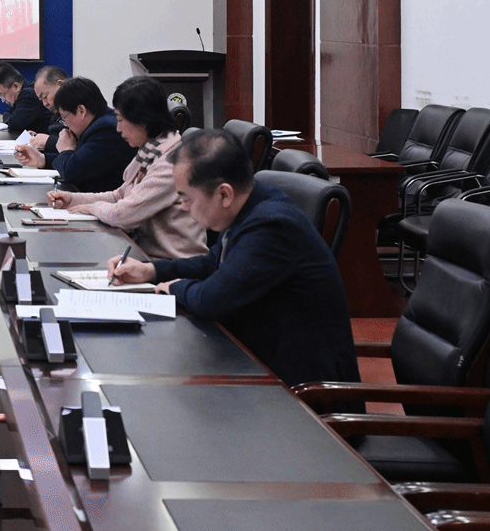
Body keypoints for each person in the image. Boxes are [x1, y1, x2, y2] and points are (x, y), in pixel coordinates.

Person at [108, 128, 359, 387]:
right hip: (257, 361)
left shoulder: (271, 226)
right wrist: (151, 271)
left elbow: (211, 300)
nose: (182, 207)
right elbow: (212, 263)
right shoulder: (250, 203)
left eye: (186, 198)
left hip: (299, 389)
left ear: (224, 194)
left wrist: (175, 287)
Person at [44, 76, 206, 260]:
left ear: (142, 121)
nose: (118, 129)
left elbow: (123, 214)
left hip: (169, 263)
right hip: (142, 253)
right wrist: (73, 199)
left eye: (121, 120)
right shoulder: (151, 149)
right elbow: (120, 195)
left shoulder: (170, 162)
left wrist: (91, 208)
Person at [15, 76, 136, 192]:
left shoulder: (105, 130)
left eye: (64, 117)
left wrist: (65, 149)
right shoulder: (97, 123)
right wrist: (43, 159)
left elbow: (71, 171)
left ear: (81, 111)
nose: (66, 125)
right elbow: (79, 159)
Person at [0, 62, 49, 137]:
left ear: (16, 86)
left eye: (3, 95)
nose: (3, 100)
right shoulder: (24, 94)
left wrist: (10, 119)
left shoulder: (28, 95)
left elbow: (14, 124)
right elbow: (8, 112)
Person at [31, 65, 70, 154]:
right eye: (41, 100)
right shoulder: (57, 112)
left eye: (45, 96)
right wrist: (38, 137)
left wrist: (48, 141)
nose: (45, 104)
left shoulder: (77, 109)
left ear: (61, 85)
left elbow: (76, 147)